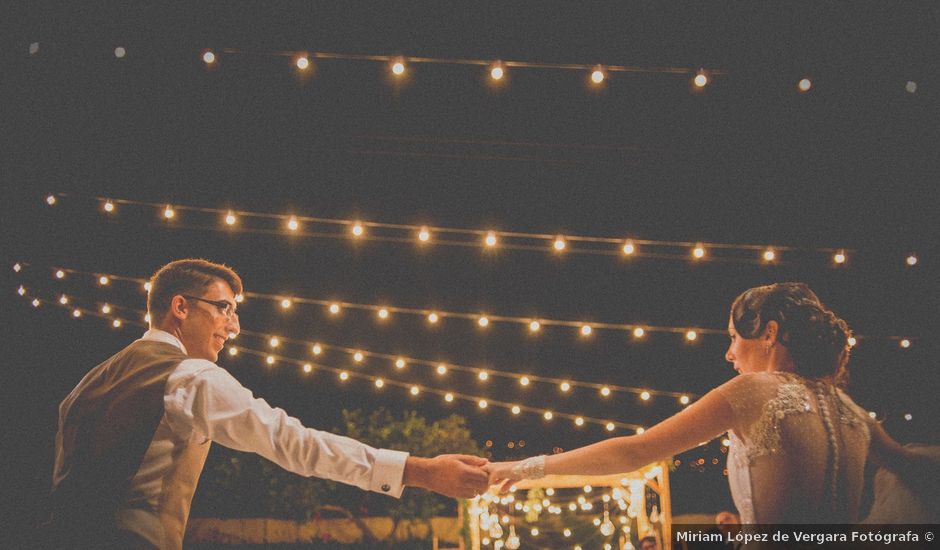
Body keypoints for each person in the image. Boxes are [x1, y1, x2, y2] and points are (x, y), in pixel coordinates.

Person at [49, 259, 489, 549]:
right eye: (224, 308)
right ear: (180, 307)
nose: (233, 326)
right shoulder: (188, 377)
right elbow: (290, 441)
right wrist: (420, 471)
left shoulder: (86, 385)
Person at [486, 283, 930, 524]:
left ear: (770, 334)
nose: (729, 353)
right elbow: (914, 466)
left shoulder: (755, 392)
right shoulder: (854, 414)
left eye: (734, 338)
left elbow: (635, 451)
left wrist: (522, 468)